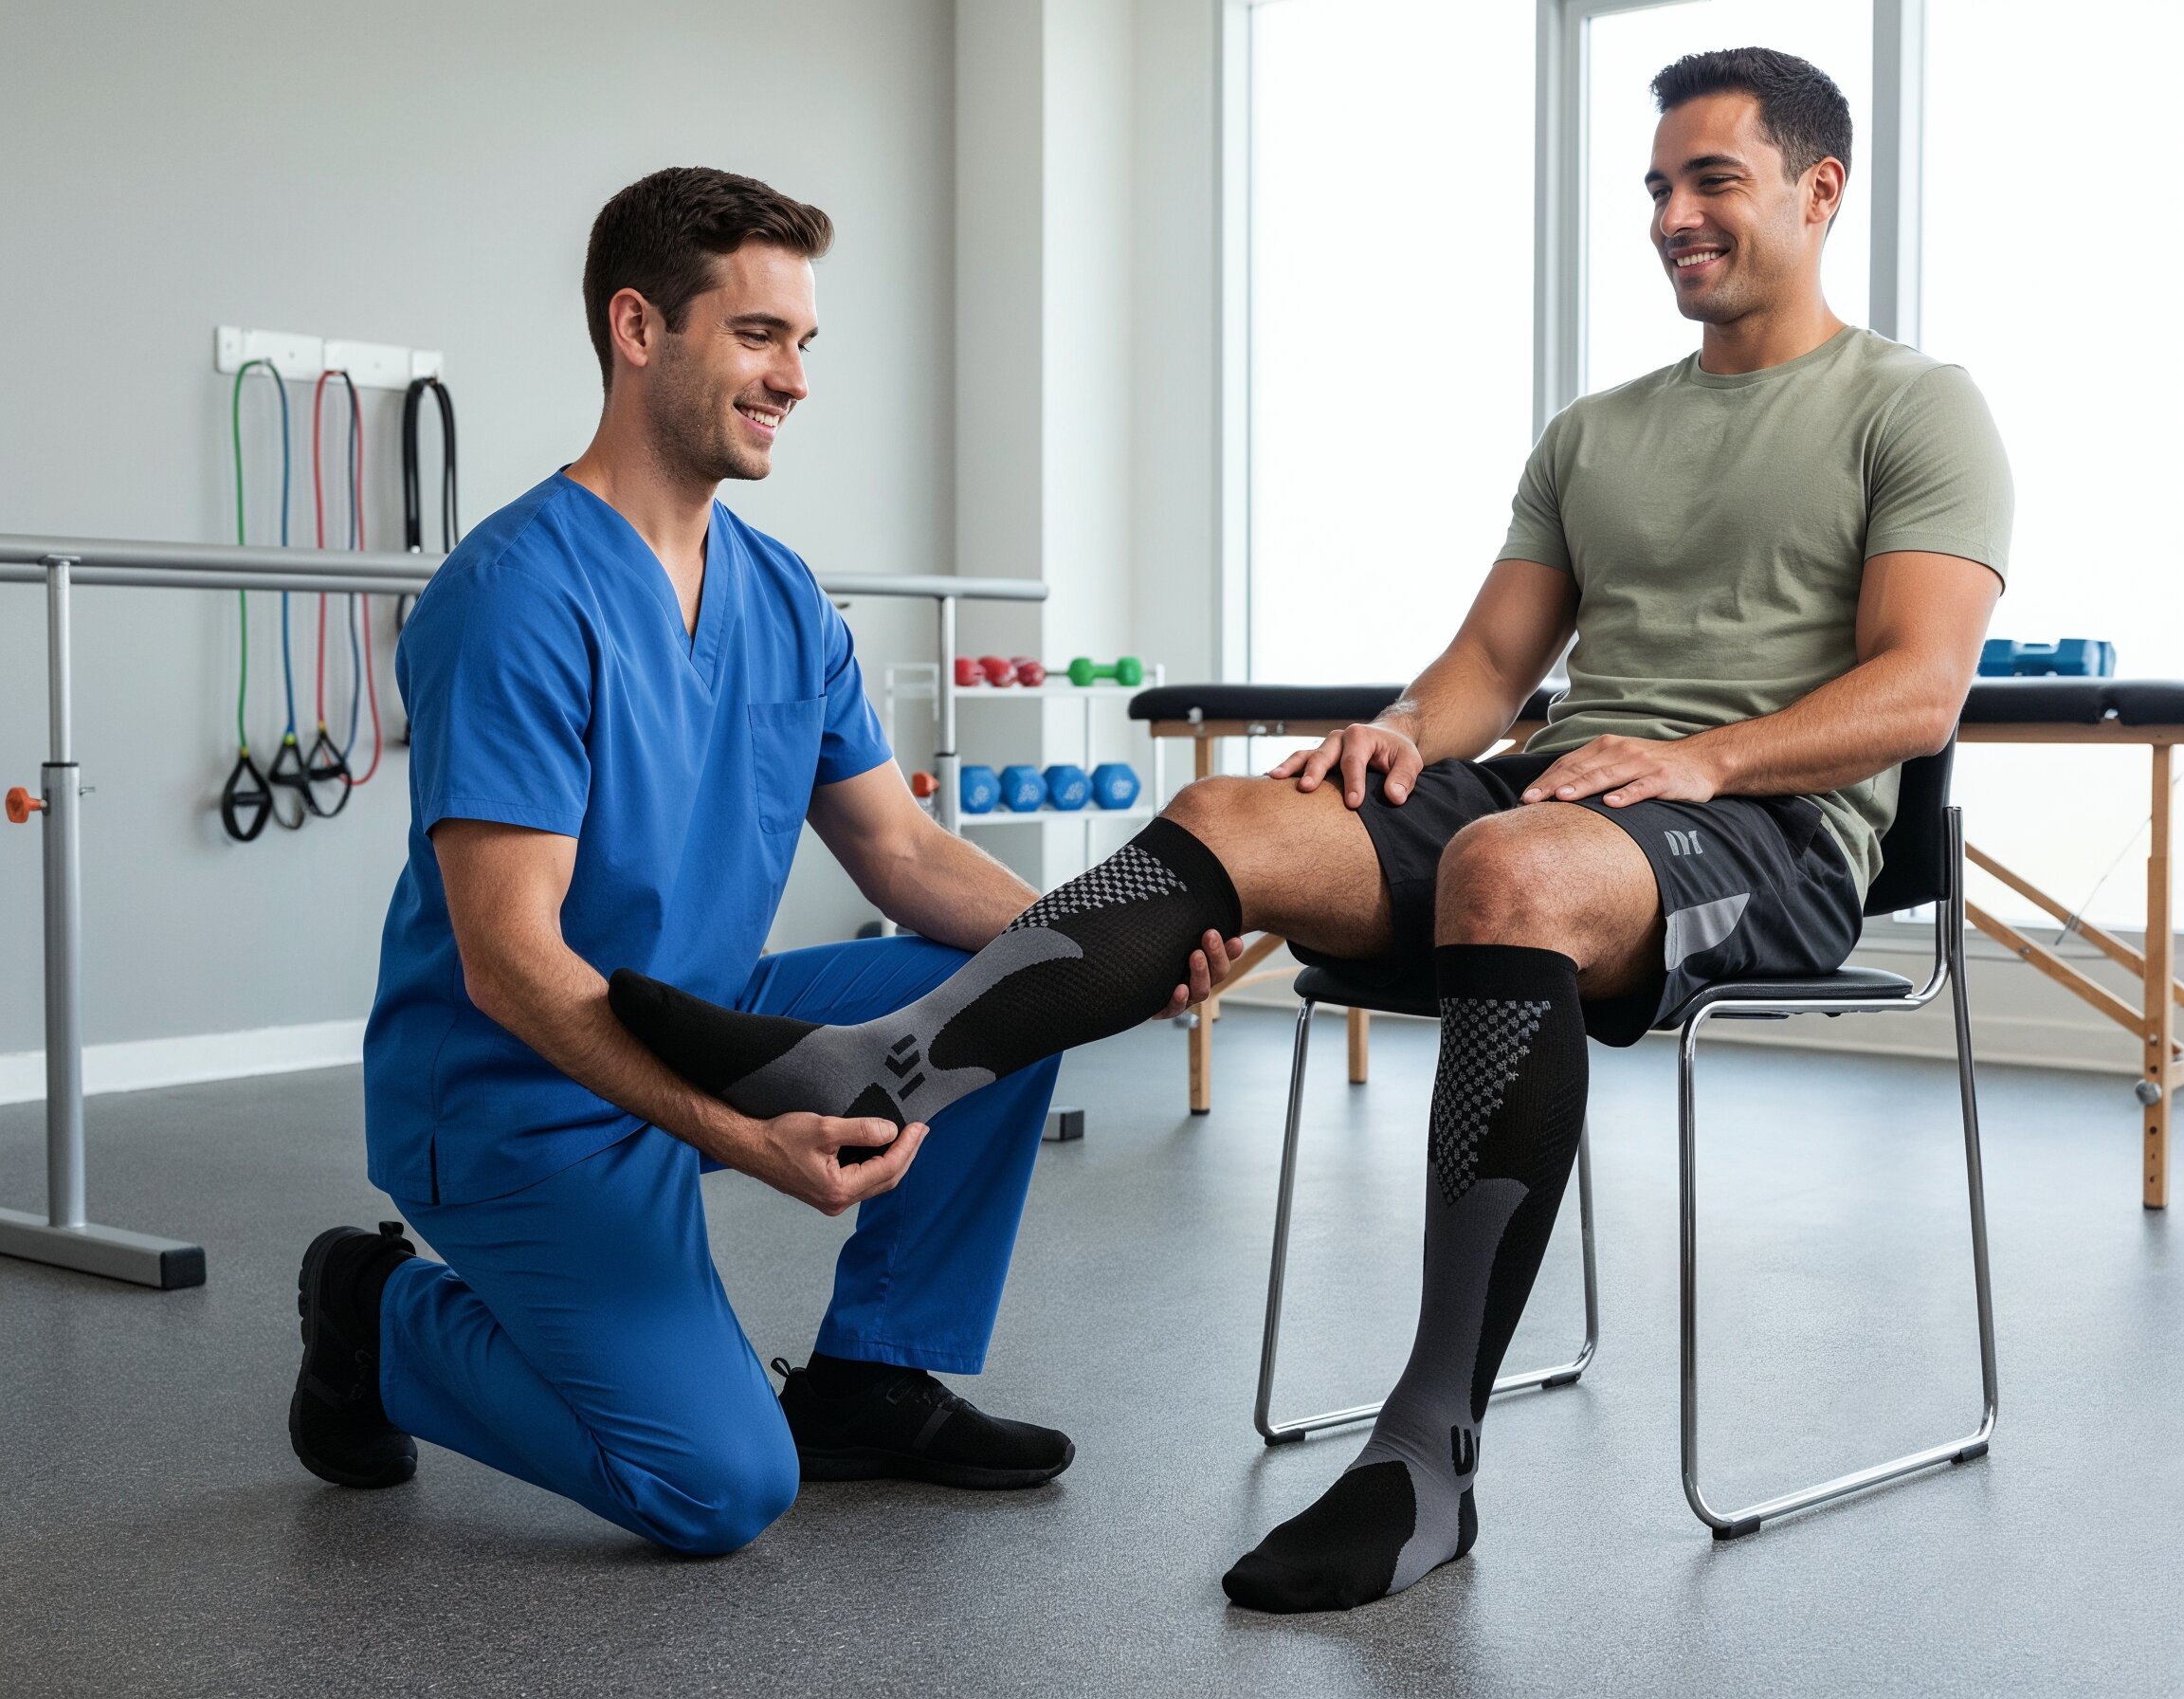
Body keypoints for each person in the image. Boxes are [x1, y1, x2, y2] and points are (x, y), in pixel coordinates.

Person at [610, 47, 2013, 1608]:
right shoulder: (1599, 432)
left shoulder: (1915, 407)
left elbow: (1919, 688)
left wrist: (1710, 761)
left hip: (1773, 834)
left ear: (1819, 193)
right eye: (1660, 187)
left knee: (1507, 863)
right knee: (1239, 810)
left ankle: (1427, 1459)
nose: (1676, 216)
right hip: (1562, 796)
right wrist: (1402, 735)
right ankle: (893, 1062)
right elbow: (1490, 667)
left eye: (1714, 182)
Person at [284, 166, 1240, 1555]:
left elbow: (900, 852)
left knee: (1002, 988)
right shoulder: (514, 600)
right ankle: (382, 1324)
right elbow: (510, 969)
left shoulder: (783, 595)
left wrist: (1098, 959)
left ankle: (868, 1380)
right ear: (637, 328)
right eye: (757, 335)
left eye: (804, 342)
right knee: (719, 1490)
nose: (794, 376)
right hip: (518, 1092)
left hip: (703, 1026)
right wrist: (750, 1144)